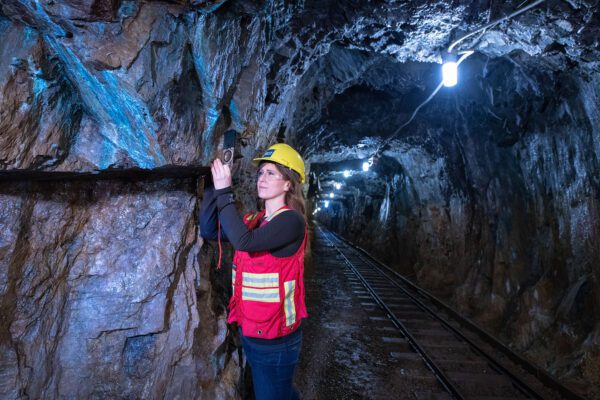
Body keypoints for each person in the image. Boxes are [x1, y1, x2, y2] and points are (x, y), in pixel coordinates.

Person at [199, 143, 308, 400]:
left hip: (276, 339)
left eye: (272, 173)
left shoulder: (292, 221)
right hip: (254, 330)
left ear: (288, 184)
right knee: (279, 393)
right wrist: (213, 187)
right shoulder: (254, 221)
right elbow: (208, 228)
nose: (262, 178)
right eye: (261, 172)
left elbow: (243, 242)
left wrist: (226, 191)